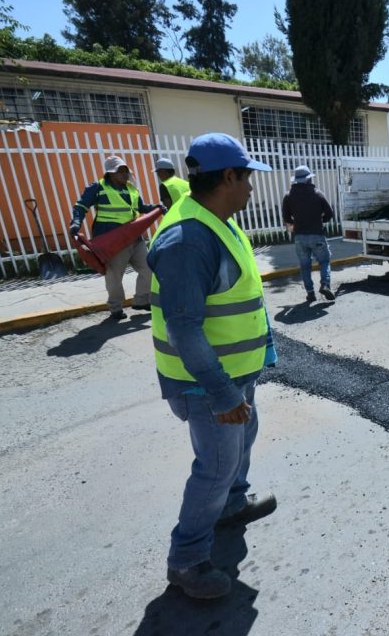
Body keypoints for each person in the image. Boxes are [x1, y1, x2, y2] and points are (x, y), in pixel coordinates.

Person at [147, 132, 278, 599]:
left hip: (235, 372)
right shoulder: (188, 239)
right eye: (247, 178)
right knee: (215, 467)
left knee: (244, 439)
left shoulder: (217, 219)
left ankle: (230, 506)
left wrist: (262, 352)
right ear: (228, 176)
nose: (251, 188)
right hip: (206, 384)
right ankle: (187, 560)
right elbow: (184, 327)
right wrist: (223, 393)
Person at [68, 155, 162, 320]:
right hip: (112, 239)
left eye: (125, 170)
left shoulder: (131, 189)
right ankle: (115, 307)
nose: (124, 174)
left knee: (148, 267)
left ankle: (141, 300)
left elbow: (141, 208)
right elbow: (81, 206)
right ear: (111, 173)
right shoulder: (98, 187)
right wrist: (76, 222)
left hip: (134, 237)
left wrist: (156, 208)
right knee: (114, 275)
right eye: (120, 171)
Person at [282, 164, 335, 302]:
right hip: (317, 234)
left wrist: (297, 223)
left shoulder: (288, 196)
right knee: (324, 261)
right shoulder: (317, 193)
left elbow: (287, 219)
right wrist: (320, 220)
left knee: (305, 266)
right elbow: (330, 214)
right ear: (308, 180)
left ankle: (310, 293)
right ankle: (325, 284)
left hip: (299, 236)